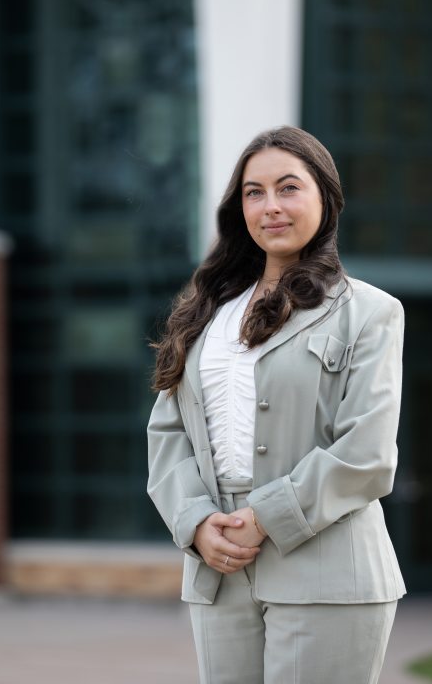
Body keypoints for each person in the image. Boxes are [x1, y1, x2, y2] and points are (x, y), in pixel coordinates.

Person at [147, 126, 406, 684]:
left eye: (289, 188)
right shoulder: (204, 315)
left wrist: (264, 518)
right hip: (219, 567)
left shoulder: (370, 313)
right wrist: (194, 523)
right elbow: (168, 435)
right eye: (253, 192)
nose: (270, 207)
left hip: (330, 569)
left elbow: (367, 453)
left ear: (325, 200)